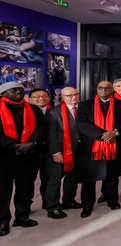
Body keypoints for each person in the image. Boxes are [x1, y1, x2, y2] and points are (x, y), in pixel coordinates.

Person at [0, 82, 48, 236]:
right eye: (13, 90)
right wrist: (14, 146)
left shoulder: (33, 109)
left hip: (28, 155)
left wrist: (32, 143)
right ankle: (2, 221)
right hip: (3, 156)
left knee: (25, 188)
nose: (18, 91)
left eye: (20, 89)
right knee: (3, 190)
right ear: (3, 94)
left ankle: (22, 217)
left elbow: (43, 126)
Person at [76, 81, 121, 217]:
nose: (103, 90)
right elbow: (82, 124)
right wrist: (103, 135)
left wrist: (114, 132)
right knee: (89, 179)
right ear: (97, 89)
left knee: (111, 176)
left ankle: (112, 200)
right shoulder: (85, 105)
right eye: (101, 88)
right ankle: (87, 205)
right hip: (91, 146)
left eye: (107, 88)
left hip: (113, 145)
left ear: (112, 90)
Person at [45, 86, 81, 219]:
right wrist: (55, 153)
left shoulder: (83, 109)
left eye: (76, 94)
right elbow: (51, 135)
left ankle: (69, 201)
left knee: (72, 178)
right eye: (69, 95)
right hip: (60, 151)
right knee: (55, 179)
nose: (73, 97)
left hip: (78, 150)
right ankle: (53, 207)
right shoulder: (53, 112)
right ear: (62, 97)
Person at [28, 88, 51, 209]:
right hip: (30, 151)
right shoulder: (25, 112)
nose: (41, 98)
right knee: (28, 180)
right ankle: (26, 205)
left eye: (44, 96)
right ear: (29, 99)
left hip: (49, 151)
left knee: (47, 178)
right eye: (37, 97)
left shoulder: (55, 111)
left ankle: (47, 202)